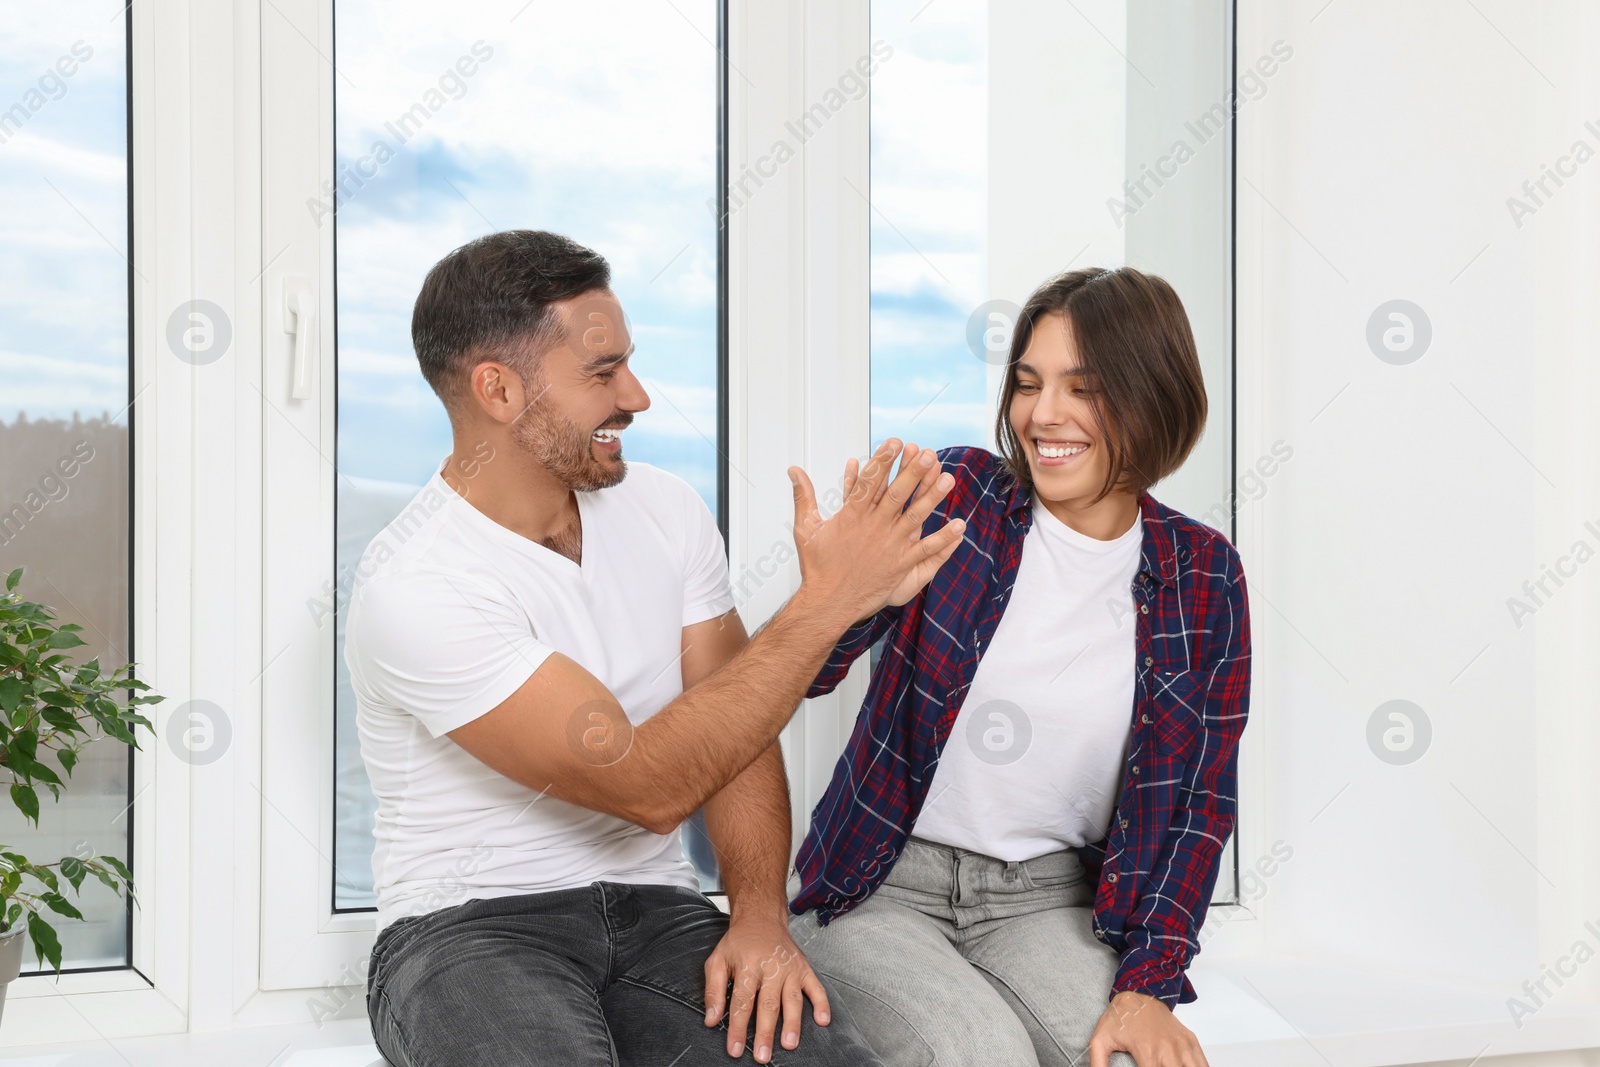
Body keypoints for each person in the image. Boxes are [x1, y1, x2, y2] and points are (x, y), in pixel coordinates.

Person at [344, 230, 966, 1066]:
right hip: (467, 928)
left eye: (627, 363)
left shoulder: (666, 510)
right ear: (496, 388)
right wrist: (826, 605)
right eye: (601, 373)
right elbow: (647, 786)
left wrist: (757, 916)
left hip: (659, 910)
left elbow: (737, 730)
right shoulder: (417, 582)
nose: (635, 396)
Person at [788, 266, 1251, 1067]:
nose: (1043, 415)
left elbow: (1198, 807)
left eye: (1085, 387)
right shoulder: (960, 495)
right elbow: (798, 678)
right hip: (884, 884)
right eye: (1028, 384)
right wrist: (843, 596)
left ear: (1155, 396)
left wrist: (1149, 982)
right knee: (980, 1053)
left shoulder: (1203, 572)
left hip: (1054, 902)